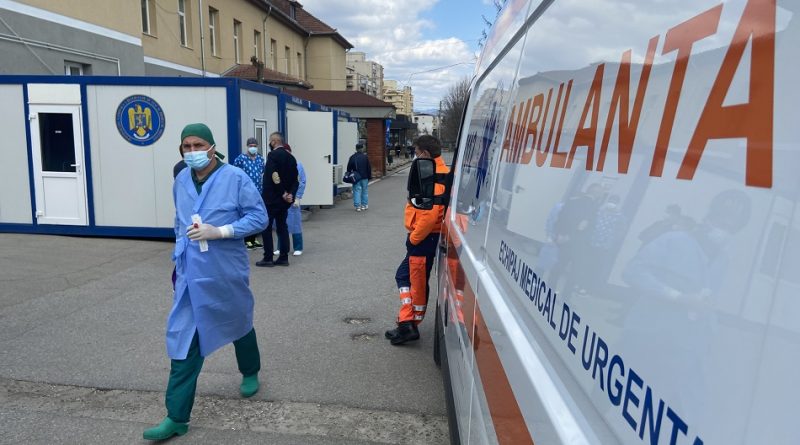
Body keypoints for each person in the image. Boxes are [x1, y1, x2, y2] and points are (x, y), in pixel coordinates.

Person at [144, 123, 267, 441]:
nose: (193, 151)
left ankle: (250, 370)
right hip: (190, 273)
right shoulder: (181, 180)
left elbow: (259, 217)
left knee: (238, 321)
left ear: (212, 147)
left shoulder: (235, 178)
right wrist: (177, 260)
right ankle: (176, 417)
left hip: (225, 269)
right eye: (186, 146)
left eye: (198, 145)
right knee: (183, 338)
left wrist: (221, 231)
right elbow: (179, 221)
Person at [385, 135, 450, 345]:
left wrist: (413, 239)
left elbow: (429, 216)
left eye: (416, 152)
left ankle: (409, 325)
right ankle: (406, 322)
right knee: (410, 278)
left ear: (425, 154)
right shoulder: (438, 172)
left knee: (413, 280)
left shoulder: (432, 177)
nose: (415, 156)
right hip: (426, 238)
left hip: (423, 239)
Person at [256, 132, 298, 267]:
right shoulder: (291, 158)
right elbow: (296, 180)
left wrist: (283, 192)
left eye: (270, 141)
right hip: (284, 201)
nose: (270, 143)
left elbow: (274, 175)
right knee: (282, 227)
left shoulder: (272, 155)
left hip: (271, 199)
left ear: (274, 142)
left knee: (266, 227)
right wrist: (291, 194)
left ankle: (268, 257)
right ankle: (284, 257)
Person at [233, 137, 265, 250]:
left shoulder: (260, 159)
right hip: (246, 191)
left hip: (258, 191)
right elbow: (235, 172)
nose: (253, 148)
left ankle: (253, 239)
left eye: (254, 146)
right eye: (251, 146)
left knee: (256, 214)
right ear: (247, 146)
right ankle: (247, 240)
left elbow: (262, 172)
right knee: (247, 215)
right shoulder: (241, 159)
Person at [275, 146, 306, 255]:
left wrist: (297, 197)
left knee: (295, 223)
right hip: (281, 198)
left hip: (293, 198)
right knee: (280, 223)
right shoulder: (277, 165)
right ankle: (280, 247)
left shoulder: (298, 165)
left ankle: (298, 247)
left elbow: (302, 181)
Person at [347, 143, 372, 211]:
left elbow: (349, 168)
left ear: (356, 149)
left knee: (356, 191)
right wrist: (369, 176)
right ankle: (364, 205)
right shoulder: (365, 157)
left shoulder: (352, 157)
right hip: (364, 177)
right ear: (362, 148)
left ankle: (358, 206)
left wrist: (350, 174)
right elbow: (368, 168)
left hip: (356, 177)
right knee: (364, 191)